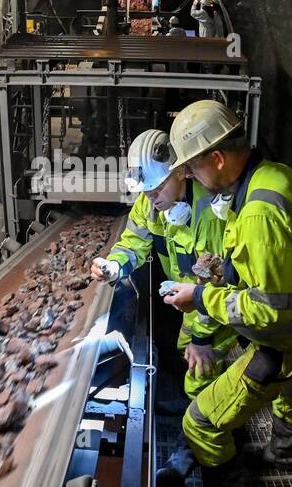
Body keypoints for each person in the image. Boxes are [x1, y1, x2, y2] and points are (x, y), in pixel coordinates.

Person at [159, 100, 292, 487]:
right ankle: (285, 455)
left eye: (193, 167)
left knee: (199, 422)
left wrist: (199, 297)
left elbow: (270, 310)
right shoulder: (278, 176)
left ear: (218, 158)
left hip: (281, 344)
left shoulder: (257, 214)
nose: (188, 176)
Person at [90, 129, 237, 432]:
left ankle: (207, 449)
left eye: (156, 189)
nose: (150, 198)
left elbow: (216, 286)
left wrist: (201, 340)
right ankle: (189, 407)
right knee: (184, 352)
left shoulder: (209, 216)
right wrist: (115, 265)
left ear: (182, 172)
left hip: (214, 311)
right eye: (145, 191)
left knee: (201, 371)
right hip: (189, 303)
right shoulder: (150, 204)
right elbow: (133, 241)